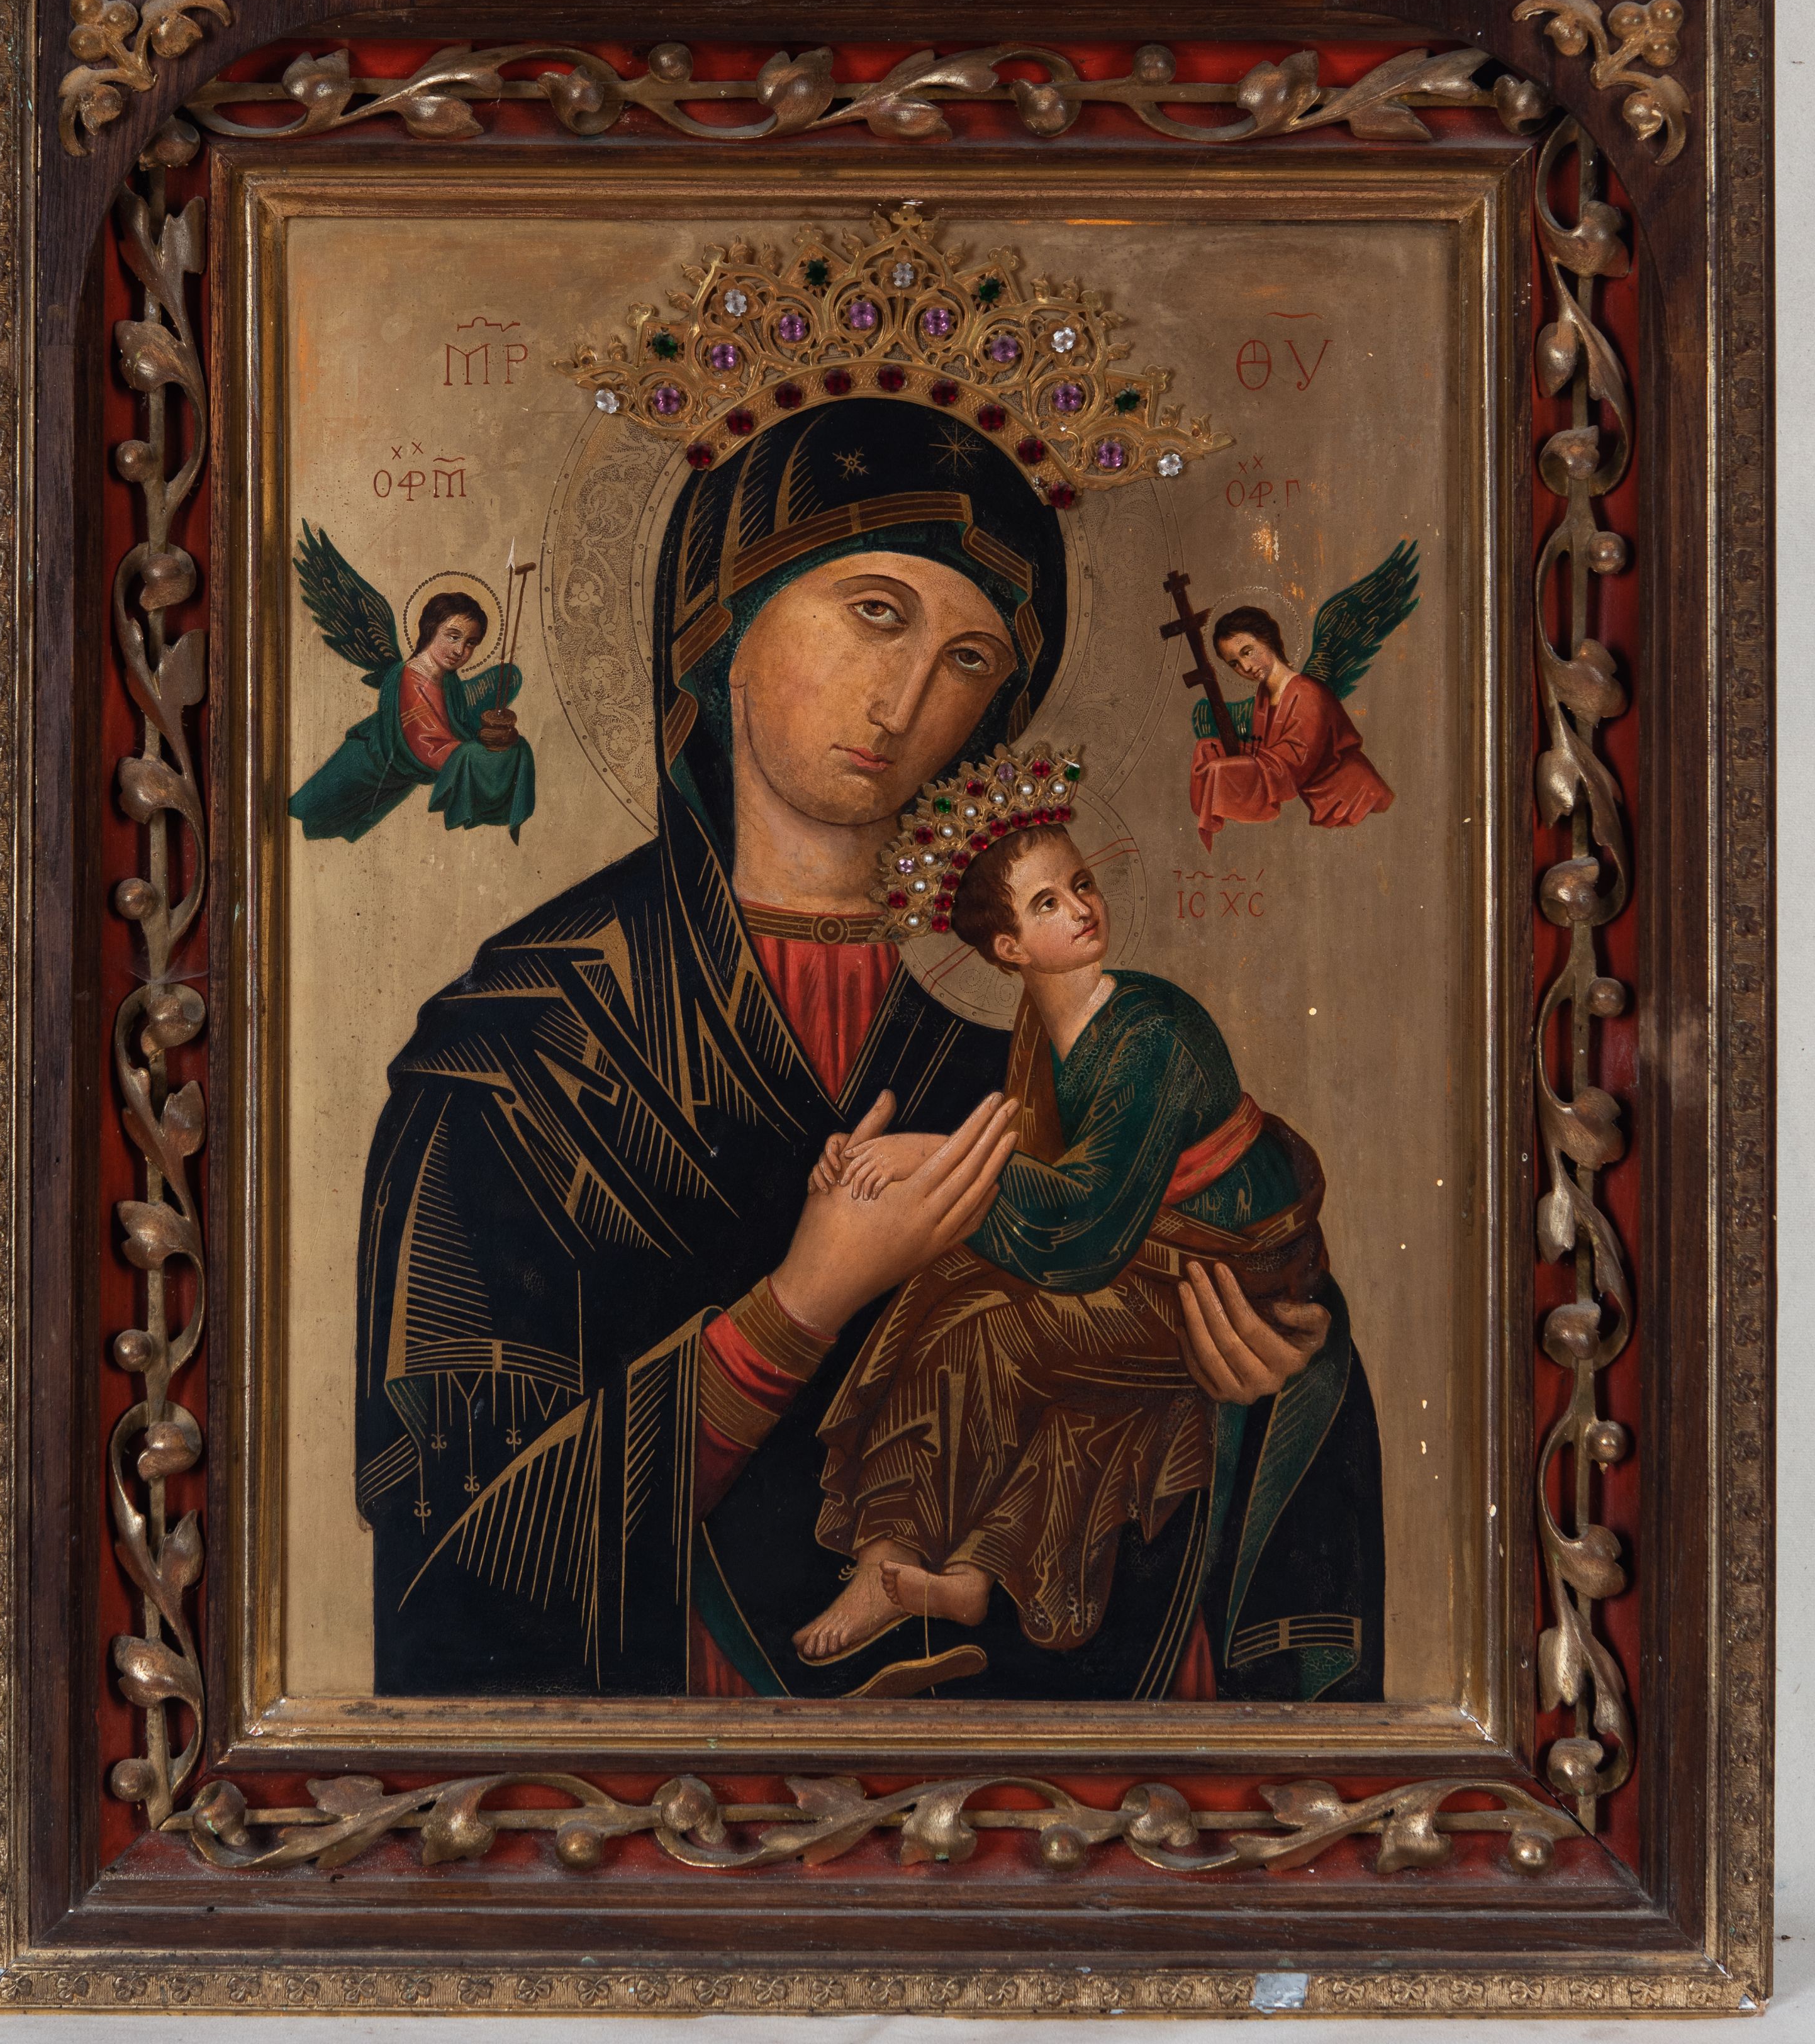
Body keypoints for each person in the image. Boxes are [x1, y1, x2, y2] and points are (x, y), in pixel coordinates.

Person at [355, 399, 1383, 1702]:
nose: (904, 701)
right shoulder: (522, 1046)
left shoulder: (1040, 1030)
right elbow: (449, 1553)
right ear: (722, 622)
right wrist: (797, 1307)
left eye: (969, 657)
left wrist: (1272, 1378)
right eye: (876, 613)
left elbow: (1221, 1293)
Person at [793, 793, 1331, 1667]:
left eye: (1082, 884)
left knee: (991, 1334)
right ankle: (941, 1568)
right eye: (1048, 901)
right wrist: (866, 1171)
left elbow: (1081, 1229)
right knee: (945, 1288)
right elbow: (1046, 1182)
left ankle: (902, 1562)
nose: (1083, 907)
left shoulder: (1149, 1035)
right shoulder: (1044, 1028)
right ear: (1008, 948)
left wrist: (923, 1155)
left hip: (1226, 1278)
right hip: (1147, 1253)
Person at [288, 550, 535, 843]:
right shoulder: (410, 680)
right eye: (453, 636)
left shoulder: (448, 681)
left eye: (471, 643)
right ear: (431, 630)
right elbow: (427, 749)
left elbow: (459, 723)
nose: (460, 651)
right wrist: (478, 755)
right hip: (362, 768)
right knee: (303, 822)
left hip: (389, 780)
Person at [1188, 606, 1393, 850]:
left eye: (1248, 652)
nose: (1246, 667)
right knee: (1208, 748)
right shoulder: (1264, 696)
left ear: (1268, 640)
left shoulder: (1307, 694)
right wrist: (1221, 749)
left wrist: (1226, 770)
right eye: (1235, 663)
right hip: (1326, 805)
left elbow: (1292, 764)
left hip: (1356, 800)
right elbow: (1268, 752)